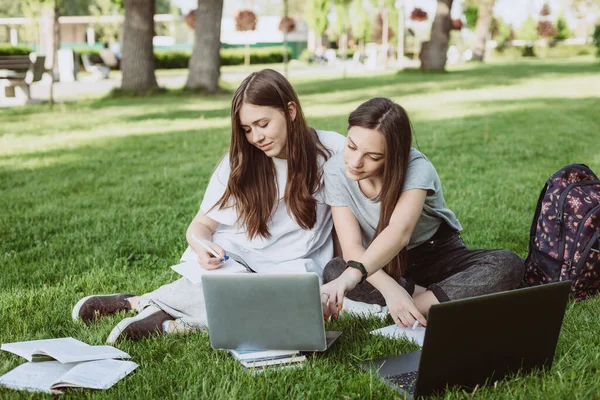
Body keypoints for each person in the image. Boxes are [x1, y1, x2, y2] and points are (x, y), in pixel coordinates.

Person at [72, 69, 345, 343]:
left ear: (291, 111)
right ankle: (154, 310)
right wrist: (203, 249)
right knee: (229, 290)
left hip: (295, 268)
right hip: (237, 260)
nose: (256, 138)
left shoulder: (333, 150)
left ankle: (154, 311)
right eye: (247, 130)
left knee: (284, 305)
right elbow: (200, 227)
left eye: (263, 124)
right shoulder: (240, 162)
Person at [319, 97, 524, 327]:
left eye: (373, 156)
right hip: (380, 262)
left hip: (437, 255)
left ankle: (402, 310)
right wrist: (391, 289)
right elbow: (352, 248)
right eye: (351, 146)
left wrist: (359, 279)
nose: (355, 162)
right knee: (335, 270)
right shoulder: (335, 171)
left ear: (394, 155)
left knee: (508, 264)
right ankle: (439, 301)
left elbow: (399, 231)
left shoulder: (417, 168)